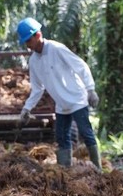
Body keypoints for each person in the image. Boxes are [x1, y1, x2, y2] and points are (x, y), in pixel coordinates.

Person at [16, 17, 102, 171]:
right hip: (61, 105)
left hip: (77, 99)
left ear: (38, 35)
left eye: (29, 41)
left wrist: (91, 89)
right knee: (62, 138)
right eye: (25, 42)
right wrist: (27, 109)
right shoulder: (34, 62)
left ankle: (98, 169)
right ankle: (65, 172)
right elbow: (37, 88)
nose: (28, 46)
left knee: (86, 133)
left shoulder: (57, 49)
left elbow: (80, 66)